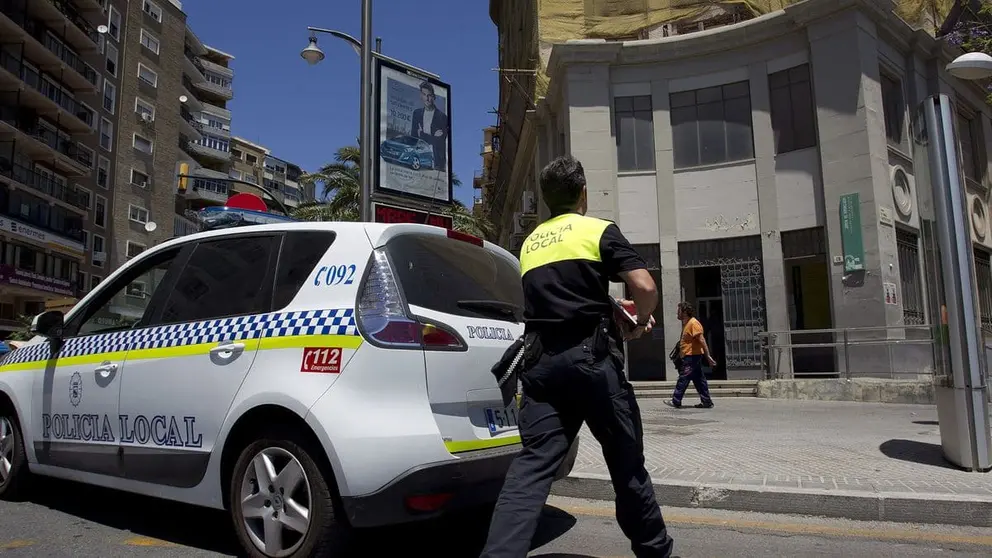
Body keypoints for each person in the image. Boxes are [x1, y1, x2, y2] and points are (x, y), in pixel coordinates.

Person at [481, 155, 675, 558]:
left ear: (549, 199)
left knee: (531, 470)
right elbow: (645, 285)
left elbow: (560, 297)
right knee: (626, 466)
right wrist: (638, 319)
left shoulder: (530, 244)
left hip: (540, 368)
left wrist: (606, 305)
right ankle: (655, 551)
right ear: (583, 193)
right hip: (591, 363)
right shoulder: (597, 229)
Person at [669, 302, 715, 409]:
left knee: (684, 377)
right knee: (699, 380)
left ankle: (676, 400)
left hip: (692, 357)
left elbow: (702, 340)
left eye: (679, 311)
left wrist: (708, 356)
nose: (677, 313)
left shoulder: (693, 323)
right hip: (690, 356)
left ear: (685, 312)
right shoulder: (687, 324)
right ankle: (706, 401)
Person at [410, 81, 448, 169]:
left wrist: (422, 135)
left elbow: (440, 142)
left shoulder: (442, 117)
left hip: (436, 162)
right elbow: (414, 138)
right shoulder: (417, 114)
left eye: (429, 95)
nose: (427, 98)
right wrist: (432, 137)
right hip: (418, 159)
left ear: (433, 97)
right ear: (421, 96)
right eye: (424, 94)